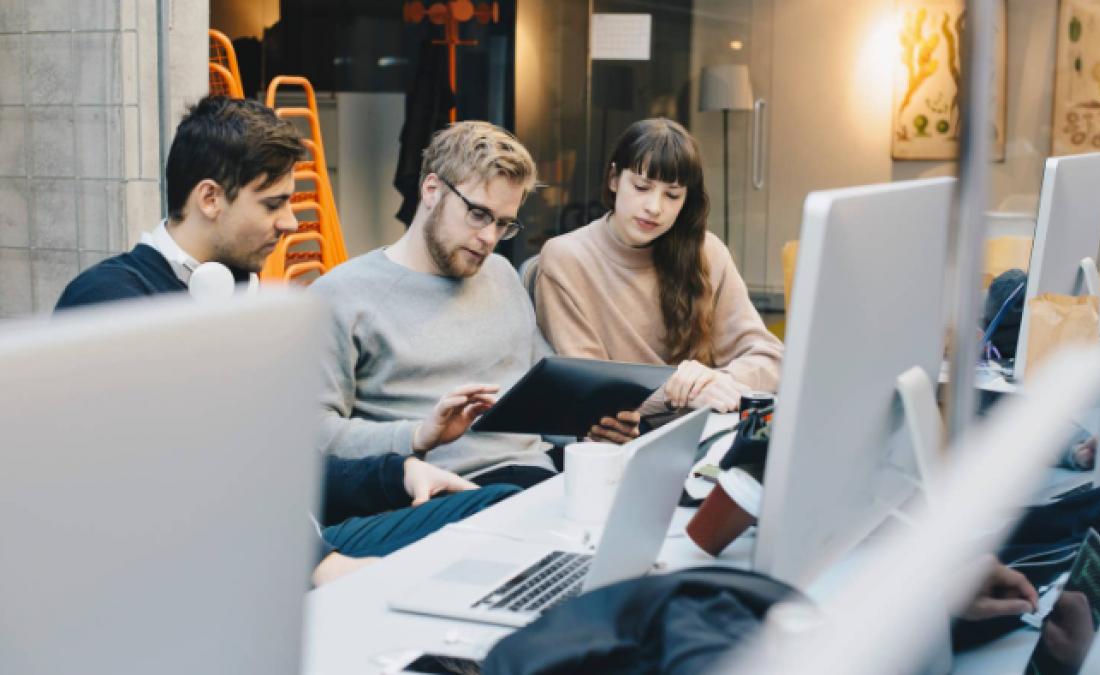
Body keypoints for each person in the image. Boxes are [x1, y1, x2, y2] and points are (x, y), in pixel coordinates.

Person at [55, 95, 519, 585]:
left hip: (293, 542)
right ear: (210, 198)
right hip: (219, 568)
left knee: (504, 506)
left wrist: (397, 473)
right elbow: (176, 483)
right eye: (274, 204)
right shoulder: (109, 301)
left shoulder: (234, 295)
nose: (290, 223)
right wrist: (317, 564)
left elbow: (275, 469)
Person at [311, 120, 640, 490]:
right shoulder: (341, 295)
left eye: (504, 224)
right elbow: (310, 435)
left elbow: (541, 396)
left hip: (537, 477)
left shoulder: (500, 275)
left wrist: (587, 431)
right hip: (441, 491)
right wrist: (417, 435)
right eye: (478, 214)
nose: (489, 238)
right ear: (432, 190)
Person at [535, 118, 783, 414]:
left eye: (672, 194)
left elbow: (770, 357)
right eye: (642, 187)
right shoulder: (566, 258)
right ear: (614, 179)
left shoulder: (707, 251)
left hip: (705, 429)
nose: (655, 207)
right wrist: (678, 393)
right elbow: (589, 386)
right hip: (620, 441)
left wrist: (716, 382)